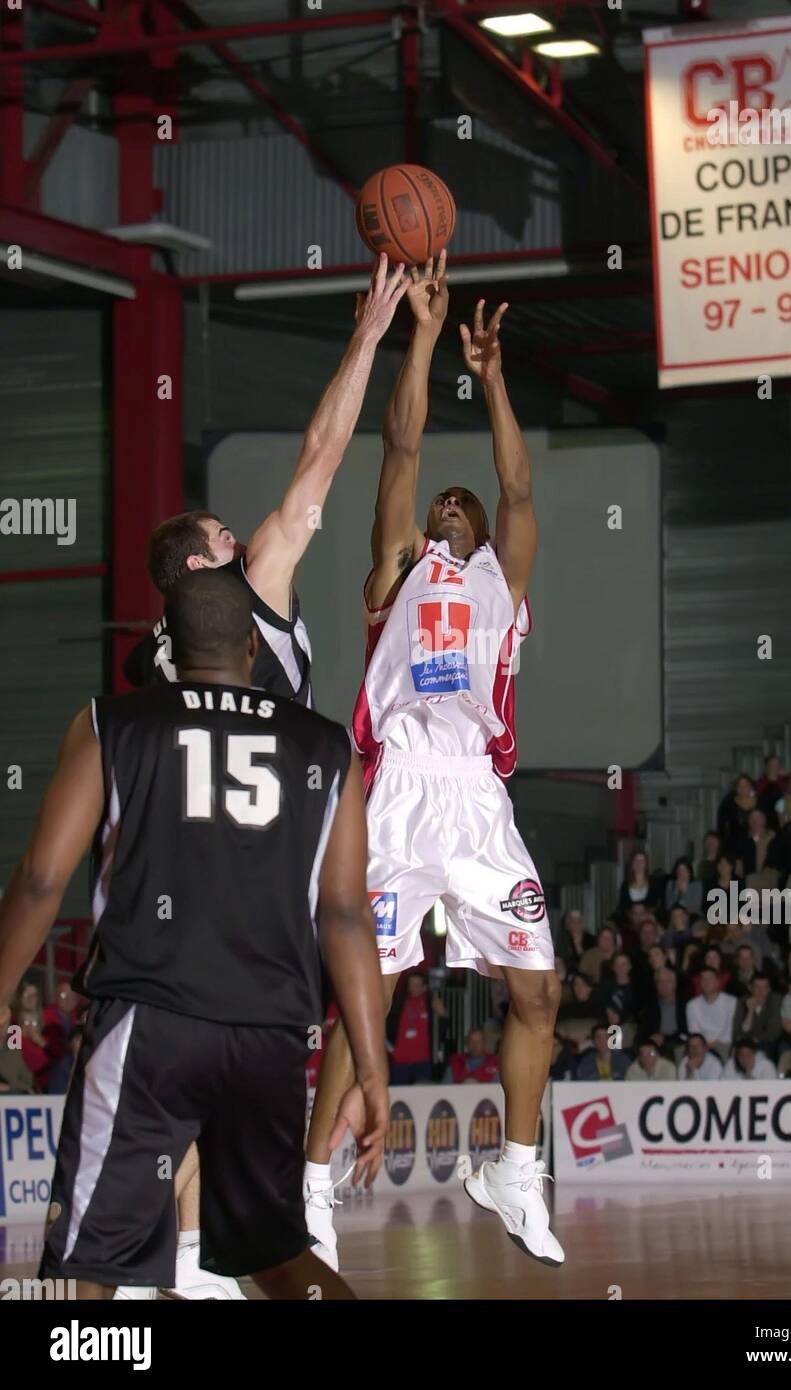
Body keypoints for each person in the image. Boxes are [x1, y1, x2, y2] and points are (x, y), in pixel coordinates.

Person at [0, 571, 389, 1301]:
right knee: (275, 1258)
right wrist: (370, 1067)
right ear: (252, 643)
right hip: (270, 1030)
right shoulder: (325, 746)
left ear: (169, 645)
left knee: (94, 1262)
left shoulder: (112, 723)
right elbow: (345, 914)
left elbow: (43, 877)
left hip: (149, 1023)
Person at [304, 262, 564, 1268]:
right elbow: (403, 442)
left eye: (465, 506)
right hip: (398, 793)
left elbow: (518, 484)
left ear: (485, 537)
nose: (450, 506)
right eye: (438, 506)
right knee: (369, 985)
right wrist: (421, 334)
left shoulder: (505, 578)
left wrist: (492, 377)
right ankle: (313, 1181)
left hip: (479, 804)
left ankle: (512, 1168)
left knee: (538, 990)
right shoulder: (393, 576)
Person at [125, 254, 409, 707]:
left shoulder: (152, 652)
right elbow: (322, 455)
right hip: (286, 772)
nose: (237, 542)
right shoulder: (254, 578)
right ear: (199, 564)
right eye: (223, 537)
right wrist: (369, 334)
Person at [387, 972, 438, 1084]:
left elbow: (443, 1021)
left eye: (417, 984)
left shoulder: (430, 1003)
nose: (413, 988)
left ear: (424, 987)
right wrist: (392, 1050)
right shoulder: (399, 1003)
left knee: (422, 1096)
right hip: (400, 1061)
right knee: (398, 1095)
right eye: (411, 984)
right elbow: (386, 1026)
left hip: (423, 1060)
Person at [685, 968, 737, 1059]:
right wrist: (704, 1045)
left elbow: (729, 1030)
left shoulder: (731, 1002)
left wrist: (713, 1044)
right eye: (703, 979)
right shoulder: (692, 1005)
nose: (706, 982)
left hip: (724, 1043)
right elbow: (694, 1031)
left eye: (710, 978)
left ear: (718, 982)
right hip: (701, 1045)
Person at [734, 973, 784, 1059]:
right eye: (757, 987)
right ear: (750, 988)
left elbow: (773, 1032)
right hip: (747, 1044)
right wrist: (750, 1011)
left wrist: (753, 1039)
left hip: (768, 1043)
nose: (761, 991)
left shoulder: (776, 1000)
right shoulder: (742, 1001)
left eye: (765, 987)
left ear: (769, 989)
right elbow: (739, 1032)